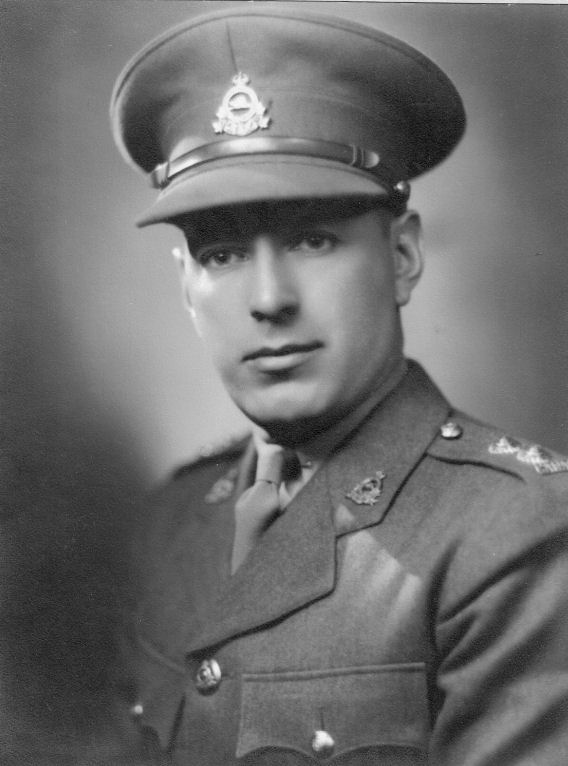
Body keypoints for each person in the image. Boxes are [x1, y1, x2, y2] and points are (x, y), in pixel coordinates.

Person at [110, 6, 568, 765]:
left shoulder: (518, 535)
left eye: (313, 239)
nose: (268, 299)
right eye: (222, 254)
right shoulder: (169, 522)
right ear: (186, 285)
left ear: (402, 258)